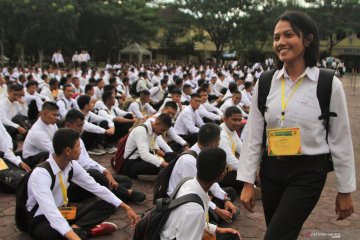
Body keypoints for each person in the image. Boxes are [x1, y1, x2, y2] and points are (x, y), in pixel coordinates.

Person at [238, 11, 356, 240]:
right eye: (276, 37)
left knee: (275, 236)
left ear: (308, 39)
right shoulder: (265, 82)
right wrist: (248, 181)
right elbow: (253, 135)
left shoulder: (328, 83)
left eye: (288, 35)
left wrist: (345, 189)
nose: (280, 42)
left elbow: (340, 139)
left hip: (308, 172)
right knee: (282, 233)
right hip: (272, 169)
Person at [26, 128, 138, 240]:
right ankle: (84, 231)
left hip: (63, 211)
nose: (81, 150)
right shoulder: (41, 174)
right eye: (78, 146)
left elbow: (96, 188)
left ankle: (78, 229)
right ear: (68, 151)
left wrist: (126, 207)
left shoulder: (71, 165)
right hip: (42, 219)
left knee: (110, 203)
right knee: (54, 235)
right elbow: (51, 212)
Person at [63, 109, 146, 204]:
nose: (82, 129)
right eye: (79, 126)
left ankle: (104, 194)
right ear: (68, 125)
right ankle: (126, 193)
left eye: (82, 125)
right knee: (94, 173)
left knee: (126, 181)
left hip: (85, 177)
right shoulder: (62, 141)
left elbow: (86, 160)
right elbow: (80, 165)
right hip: (71, 184)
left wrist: (105, 172)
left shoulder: (77, 138)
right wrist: (103, 172)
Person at [160, 148, 240, 240]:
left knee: (230, 235)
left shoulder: (187, 182)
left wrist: (217, 229)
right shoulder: (195, 210)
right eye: (226, 168)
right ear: (221, 175)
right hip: (174, 235)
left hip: (176, 230)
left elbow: (196, 222)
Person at [121, 113, 172, 178]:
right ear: (157, 123)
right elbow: (144, 155)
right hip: (131, 163)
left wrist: (159, 151)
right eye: (162, 130)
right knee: (157, 166)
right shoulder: (141, 130)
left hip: (141, 159)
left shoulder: (154, 130)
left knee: (171, 155)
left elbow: (153, 146)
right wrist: (164, 163)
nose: (162, 133)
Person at [23, 102, 59, 168]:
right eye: (54, 115)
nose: (56, 118)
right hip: (31, 158)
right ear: (45, 114)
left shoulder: (52, 124)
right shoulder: (37, 131)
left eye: (57, 115)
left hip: (44, 151)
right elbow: (53, 149)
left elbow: (59, 139)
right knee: (56, 154)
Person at [219, 106, 244, 192]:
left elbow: (243, 150)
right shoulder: (222, 135)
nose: (238, 123)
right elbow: (231, 162)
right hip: (217, 174)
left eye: (239, 120)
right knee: (247, 180)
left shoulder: (232, 130)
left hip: (227, 170)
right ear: (225, 119)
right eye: (234, 120)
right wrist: (250, 171)